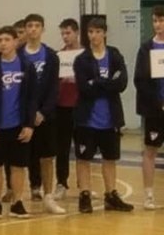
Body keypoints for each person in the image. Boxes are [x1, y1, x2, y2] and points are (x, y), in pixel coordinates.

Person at [73, 18, 132, 214]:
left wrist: (97, 82)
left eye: (98, 31)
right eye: (90, 32)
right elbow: (84, 88)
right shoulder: (82, 60)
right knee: (83, 158)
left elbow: (121, 83)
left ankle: (111, 195)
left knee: (110, 158)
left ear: (105, 33)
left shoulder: (114, 55)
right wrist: (107, 83)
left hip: (111, 118)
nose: (94, 36)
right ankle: (85, 195)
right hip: (86, 119)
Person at [0, 27, 37, 219]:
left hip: (18, 124)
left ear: (15, 42)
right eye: (1, 39)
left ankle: (17, 202)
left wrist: (29, 124)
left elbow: (32, 98)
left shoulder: (26, 65)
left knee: (18, 165)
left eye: (7, 39)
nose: (3, 43)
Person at [20, 14, 64, 214]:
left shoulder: (51, 56)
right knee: (21, 158)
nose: (33, 29)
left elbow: (54, 88)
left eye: (37, 25)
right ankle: (19, 196)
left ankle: (48, 196)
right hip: (23, 115)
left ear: (43, 29)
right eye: (30, 26)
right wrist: (28, 114)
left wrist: (43, 112)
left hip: (46, 115)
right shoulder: (18, 55)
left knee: (47, 157)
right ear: (25, 29)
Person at [134, 5, 164, 210]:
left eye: (161, 20)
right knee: (150, 150)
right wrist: (157, 102)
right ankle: (148, 194)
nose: (157, 24)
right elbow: (140, 80)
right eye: (155, 21)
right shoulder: (146, 48)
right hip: (154, 110)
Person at [55, 18, 80, 199]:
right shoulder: (59, 56)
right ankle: (61, 183)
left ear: (76, 32)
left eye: (68, 33)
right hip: (62, 107)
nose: (65, 36)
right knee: (62, 148)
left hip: (81, 107)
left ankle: (84, 185)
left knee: (83, 148)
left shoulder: (85, 55)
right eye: (63, 33)